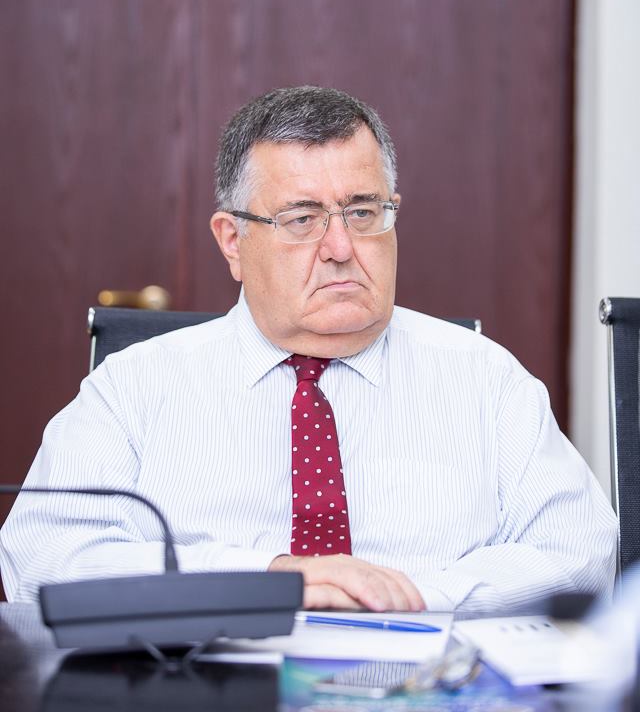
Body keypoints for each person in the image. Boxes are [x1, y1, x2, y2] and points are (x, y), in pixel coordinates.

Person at [0, 86, 617, 611]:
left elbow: (582, 554)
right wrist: (266, 580)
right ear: (232, 240)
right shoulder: (134, 387)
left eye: (363, 212)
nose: (341, 248)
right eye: (301, 219)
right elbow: (40, 558)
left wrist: (410, 596)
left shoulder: (485, 378)